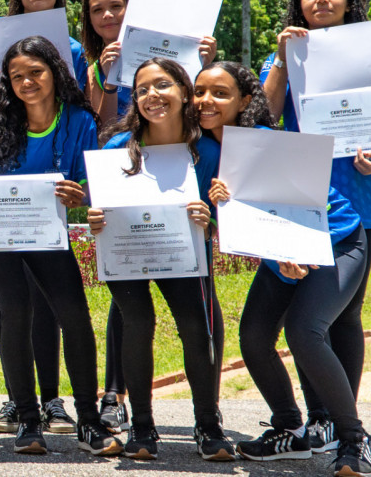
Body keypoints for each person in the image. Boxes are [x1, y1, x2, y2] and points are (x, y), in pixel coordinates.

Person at [193, 61, 371, 476]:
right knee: (255, 337)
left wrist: (287, 251)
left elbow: (296, 210)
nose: (206, 100)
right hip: (281, 255)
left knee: (304, 330)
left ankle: (354, 439)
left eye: (220, 93)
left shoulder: (263, 140)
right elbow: (225, 217)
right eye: (200, 91)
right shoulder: (203, 149)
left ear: (244, 100)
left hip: (335, 242)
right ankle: (289, 429)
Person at [259, 0, 371, 458]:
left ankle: (336, 422)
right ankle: (324, 423)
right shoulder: (280, 57)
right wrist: (283, 59)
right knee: (307, 321)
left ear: (349, 2)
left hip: (357, 207)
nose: (321, 0)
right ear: (298, 3)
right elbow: (260, 118)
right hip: (297, 206)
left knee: (341, 320)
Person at [0, 36, 120, 457]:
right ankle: (27, 419)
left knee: (75, 316)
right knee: (16, 311)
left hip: (47, 236)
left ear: (55, 74)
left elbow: (91, 185)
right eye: (17, 75)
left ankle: (89, 421)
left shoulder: (78, 120)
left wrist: (79, 196)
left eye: (36, 73)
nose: (27, 82)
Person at [0, 0, 85, 435]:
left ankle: (53, 400)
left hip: (44, 186)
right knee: (10, 301)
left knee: (50, 297)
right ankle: (19, 401)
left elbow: (76, 107)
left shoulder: (72, 47)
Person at [86, 58, 232, 461]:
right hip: (128, 256)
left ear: (185, 92)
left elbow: (228, 208)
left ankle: (208, 426)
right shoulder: (117, 148)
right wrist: (96, 218)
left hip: (185, 256)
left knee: (194, 330)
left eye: (163, 85)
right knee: (137, 325)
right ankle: (143, 428)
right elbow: (101, 209)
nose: (153, 95)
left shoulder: (207, 148)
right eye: (143, 88)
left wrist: (212, 217)